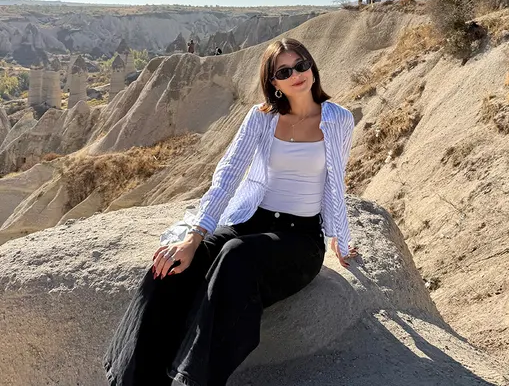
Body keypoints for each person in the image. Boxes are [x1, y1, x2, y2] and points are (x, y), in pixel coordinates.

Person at [103, 38, 357, 386]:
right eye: (284, 71)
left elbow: (335, 182)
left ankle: (193, 380)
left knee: (236, 257)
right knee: (173, 264)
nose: (296, 74)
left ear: (312, 66)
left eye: (301, 64)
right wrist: (194, 238)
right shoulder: (261, 118)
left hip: (299, 238)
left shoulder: (338, 119)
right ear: (273, 82)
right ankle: (134, 379)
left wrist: (339, 239)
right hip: (251, 220)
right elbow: (227, 178)